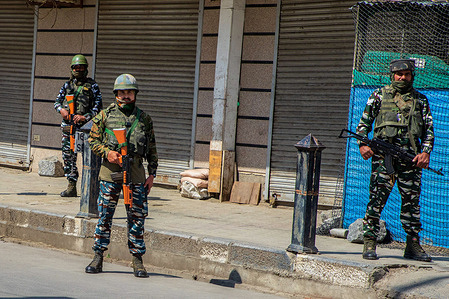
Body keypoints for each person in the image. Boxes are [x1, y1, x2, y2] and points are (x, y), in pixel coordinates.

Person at [356, 59, 434, 262]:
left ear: (412, 76)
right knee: (376, 199)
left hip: (411, 161)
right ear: (392, 75)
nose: (402, 77)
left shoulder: (421, 100)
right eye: (399, 74)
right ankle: (369, 241)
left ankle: (413, 244)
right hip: (384, 159)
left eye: (406, 74)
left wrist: (425, 152)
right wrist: (363, 145)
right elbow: (363, 126)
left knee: (411, 203)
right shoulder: (379, 96)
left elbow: (428, 132)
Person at [85, 74, 158, 277]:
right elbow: (92, 141)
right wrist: (107, 153)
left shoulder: (144, 119)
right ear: (116, 94)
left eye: (129, 92)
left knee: (136, 218)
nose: (126, 96)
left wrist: (152, 174)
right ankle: (98, 257)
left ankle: (137, 261)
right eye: (122, 92)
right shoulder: (104, 116)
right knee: (105, 217)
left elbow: (152, 147)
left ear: (135, 94)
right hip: (110, 174)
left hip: (135, 175)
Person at [54, 54, 103, 197]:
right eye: (76, 67)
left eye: (81, 67)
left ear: (86, 69)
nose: (78, 69)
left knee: (89, 158)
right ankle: (71, 186)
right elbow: (57, 102)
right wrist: (61, 110)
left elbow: (98, 108)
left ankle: (92, 187)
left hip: (86, 129)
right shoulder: (67, 85)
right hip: (69, 128)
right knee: (69, 157)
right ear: (72, 69)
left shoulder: (92, 86)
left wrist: (85, 117)